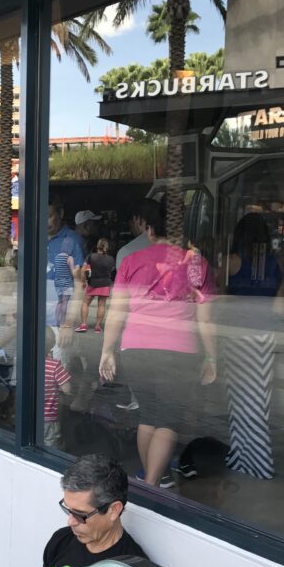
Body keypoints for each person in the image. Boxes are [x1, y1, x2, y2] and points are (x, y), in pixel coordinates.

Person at [99, 199, 216, 489]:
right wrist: (212, 358)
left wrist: (106, 352)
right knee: (168, 420)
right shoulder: (196, 264)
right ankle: (152, 484)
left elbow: (116, 312)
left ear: (149, 230)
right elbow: (206, 320)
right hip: (179, 351)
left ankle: (151, 479)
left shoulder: (130, 262)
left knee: (148, 416)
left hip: (136, 349)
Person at [223, 212, 282, 480]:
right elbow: (280, 308)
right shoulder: (275, 265)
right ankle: (256, 458)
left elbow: (218, 301)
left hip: (236, 337)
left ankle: (245, 457)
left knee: (238, 400)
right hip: (264, 336)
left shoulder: (231, 262)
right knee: (259, 400)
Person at [42, 454, 146, 567]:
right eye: (68, 509)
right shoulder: (60, 541)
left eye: (80, 514)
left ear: (114, 510)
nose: (70, 522)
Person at [46, 195, 85, 328]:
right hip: (37, 314)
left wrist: (69, 322)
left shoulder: (73, 241)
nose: (45, 221)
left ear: (60, 214)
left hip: (61, 316)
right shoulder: (35, 238)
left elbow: (79, 284)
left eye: (49, 216)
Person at [76, 238, 114, 333]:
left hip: (93, 283)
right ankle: (97, 327)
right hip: (105, 284)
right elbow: (110, 271)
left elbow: (83, 270)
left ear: (98, 246)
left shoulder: (90, 257)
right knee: (101, 305)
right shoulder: (111, 259)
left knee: (85, 303)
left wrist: (83, 282)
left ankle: (84, 324)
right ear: (106, 247)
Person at [43, 326, 71, 449]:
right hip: (49, 416)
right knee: (51, 442)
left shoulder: (28, 363)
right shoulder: (54, 365)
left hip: (31, 414)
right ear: (52, 343)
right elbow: (67, 389)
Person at [115, 199, 156, 271]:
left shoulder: (126, 252)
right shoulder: (174, 245)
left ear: (137, 219)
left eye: (132, 222)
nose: (131, 228)